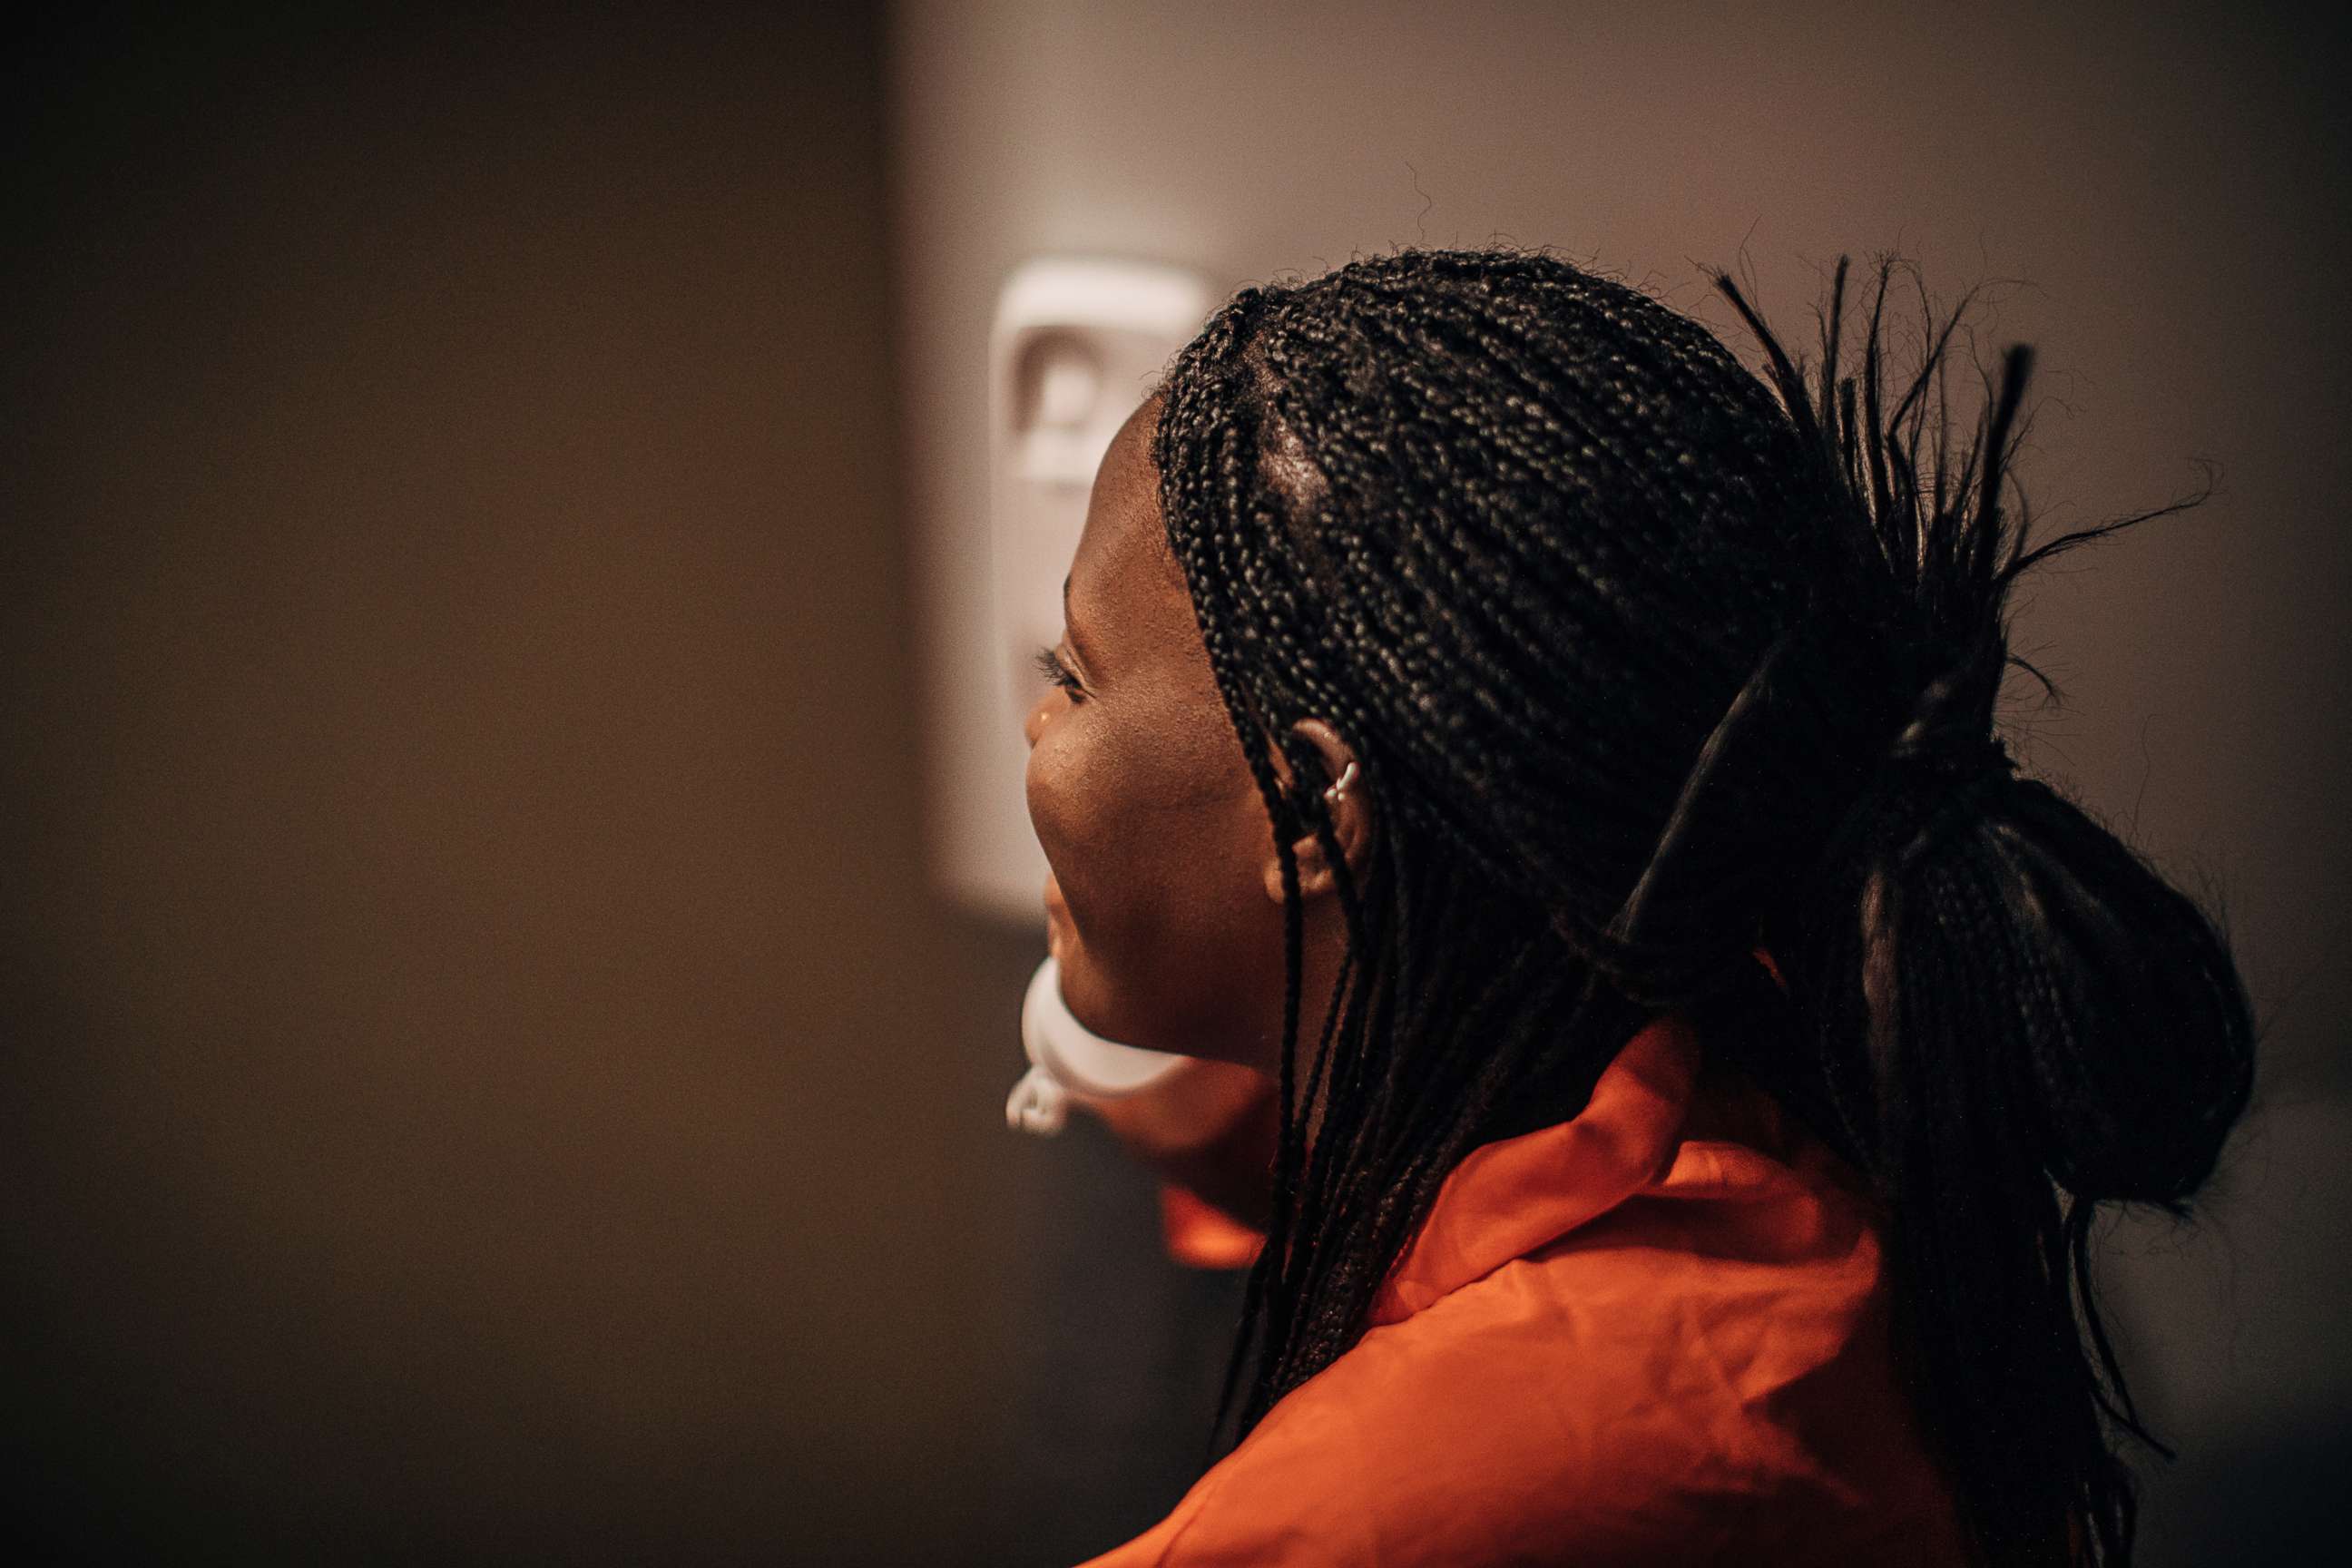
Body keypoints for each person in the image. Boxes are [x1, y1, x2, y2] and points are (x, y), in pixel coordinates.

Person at [1018, 247, 2255, 1566]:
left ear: (1318, 815)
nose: (1039, 722)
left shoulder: (1371, 1517)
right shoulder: (1783, 1011)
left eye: (1075, 677)